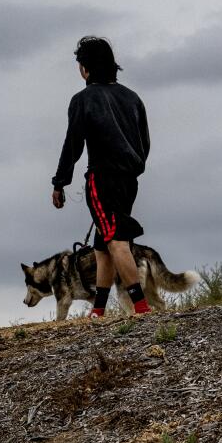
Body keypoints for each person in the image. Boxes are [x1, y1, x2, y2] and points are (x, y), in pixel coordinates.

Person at [51, 36, 151, 317]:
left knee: (116, 241)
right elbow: (144, 142)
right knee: (102, 244)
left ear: (85, 68)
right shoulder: (133, 98)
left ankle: (141, 307)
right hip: (129, 180)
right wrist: (134, 166)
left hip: (101, 178)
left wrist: (60, 182)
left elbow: (73, 144)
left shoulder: (83, 99)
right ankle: (98, 311)